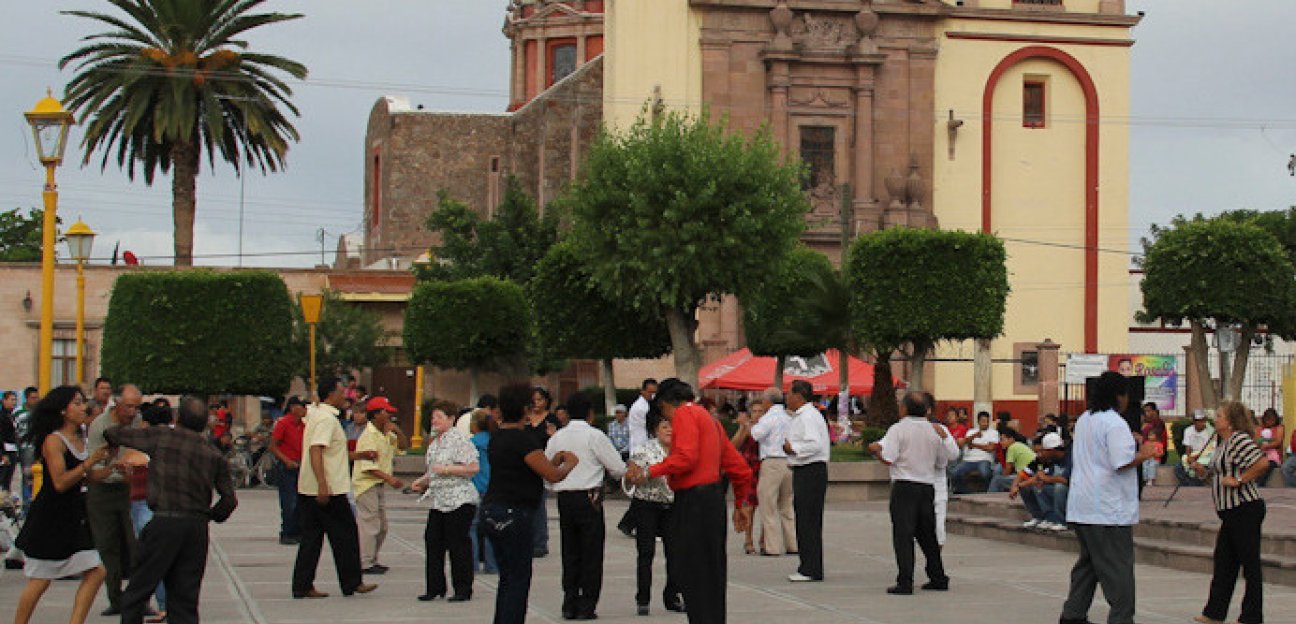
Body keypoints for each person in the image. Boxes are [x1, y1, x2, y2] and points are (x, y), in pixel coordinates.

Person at [625, 378, 752, 624]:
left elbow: (685, 458)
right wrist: (740, 503)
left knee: (693, 570)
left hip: (693, 499)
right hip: (712, 499)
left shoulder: (684, 414)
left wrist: (650, 471)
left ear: (664, 404)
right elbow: (739, 468)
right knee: (712, 572)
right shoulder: (710, 420)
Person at [105, 396, 238, 624]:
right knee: (185, 597)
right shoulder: (214, 455)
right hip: (196, 527)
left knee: (139, 589)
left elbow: (115, 434)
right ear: (205, 423)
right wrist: (212, 515)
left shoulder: (161, 436)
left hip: (165, 521)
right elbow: (229, 500)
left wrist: (119, 416)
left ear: (178, 418)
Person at [1059, 371, 1158, 624]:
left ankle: (1073, 614)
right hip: (1107, 508)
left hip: (1082, 505)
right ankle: (1121, 618)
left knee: (1089, 564)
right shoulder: (1115, 423)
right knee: (1119, 568)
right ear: (1119, 396)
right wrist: (1144, 453)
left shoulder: (1084, 419)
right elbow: (1121, 462)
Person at [481, 383, 579, 624]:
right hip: (515, 514)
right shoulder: (522, 440)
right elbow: (552, 475)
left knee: (507, 576)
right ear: (525, 408)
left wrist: (552, 460)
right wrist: (570, 464)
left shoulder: (497, 438)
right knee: (518, 579)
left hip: (492, 509)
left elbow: (531, 467)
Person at [12, 386, 111, 624]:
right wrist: (90, 463)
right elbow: (60, 482)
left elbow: (83, 478)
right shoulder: (53, 441)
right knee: (40, 579)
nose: (82, 408)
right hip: (50, 516)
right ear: (63, 410)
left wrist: (111, 470)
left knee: (96, 572)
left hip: (72, 515)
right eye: (76, 403)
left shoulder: (79, 438)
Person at [292, 376, 378, 599]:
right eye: (342, 392)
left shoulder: (318, 416)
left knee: (312, 538)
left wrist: (360, 455)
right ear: (330, 394)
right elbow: (316, 450)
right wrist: (323, 485)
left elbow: (333, 453)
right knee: (346, 534)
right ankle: (352, 582)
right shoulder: (326, 420)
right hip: (328, 489)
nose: (345, 397)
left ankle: (302, 585)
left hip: (310, 489)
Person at [545, 392, 626, 620]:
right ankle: (587, 604)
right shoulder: (594, 436)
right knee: (591, 552)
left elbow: (547, 469)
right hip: (589, 498)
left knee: (570, 552)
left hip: (565, 498)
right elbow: (617, 468)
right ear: (590, 414)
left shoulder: (557, 438)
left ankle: (569, 601)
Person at [1191, 401, 1268, 624]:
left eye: (1220, 416)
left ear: (1231, 421)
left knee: (1249, 563)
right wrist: (1202, 471)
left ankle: (1252, 615)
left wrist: (1240, 480)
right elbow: (1217, 476)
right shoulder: (1222, 443)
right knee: (1224, 561)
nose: (1216, 420)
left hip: (1244, 508)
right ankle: (1214, 612)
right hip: (1229, 511)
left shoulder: (1239, 440)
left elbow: (1261, 464)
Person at [869, 392, 953, 595]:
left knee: (903, 535)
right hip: (926, 485)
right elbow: (942, 461)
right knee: (927, 535)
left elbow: (889, 458)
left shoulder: (898, 429)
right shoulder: (935, 430)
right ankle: (938, 576)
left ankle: (905, 580)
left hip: (905, 486)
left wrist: (875, 451)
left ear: (904, 409)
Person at [85, 383, 143, 617]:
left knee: (135, 545)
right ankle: (116, 599)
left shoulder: (136, 421)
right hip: (103, 489)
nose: (132, 412)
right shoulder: (100, 426)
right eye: (128, 406)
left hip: (128, 489)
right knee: (108, 547)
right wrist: (115, 468)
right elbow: (93, 470)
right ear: (117, 404)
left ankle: (139, 598)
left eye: (136, 407)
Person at [411, 408, 478, 602]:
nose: (435, 420)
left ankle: (463, 588)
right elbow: (433, 470)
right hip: (440, 500)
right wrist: (422, 481)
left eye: (440, 417)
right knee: (433, 541)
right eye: (433, 417)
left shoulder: (459, 440)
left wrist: (447, 469)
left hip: (459, 499)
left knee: (458, 544)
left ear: (451, 418)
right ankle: (434, 587)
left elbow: (473, 467)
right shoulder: (435, 444)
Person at [121, 405, 175, 623]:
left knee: (151, 557)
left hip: (142, 503)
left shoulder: (143, 443)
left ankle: (159, 604)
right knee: (159, 557)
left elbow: (129, 463)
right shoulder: (173, 442)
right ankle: (160, 603)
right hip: (163, 505)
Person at [628, 407, 683, 616]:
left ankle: (672, 596)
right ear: (655, 430)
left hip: (673, 506)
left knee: (675, 552)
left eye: (672, 426)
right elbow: (632, 475)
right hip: (647, 505)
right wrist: (634, 476)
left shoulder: (681, 450)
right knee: (646, 552)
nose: (669, 430)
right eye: (664, 427)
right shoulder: (644, 450)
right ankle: (643, 598)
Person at [353, 396, 409, 575]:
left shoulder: (385, 434)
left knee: (382, 526)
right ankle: (364, 562)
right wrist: (390, 479)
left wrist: (398, 432)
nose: (389, 416)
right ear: (376, 414)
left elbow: (402, 447)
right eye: (386, 412)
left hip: (378, 485)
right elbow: (368, 468)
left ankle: (372, 558)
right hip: (367, 484)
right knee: (370, 524)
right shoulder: (369, 436)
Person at [783, 380, 829, 582]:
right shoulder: (804, 415)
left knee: (808, 521)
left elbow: (815, 445)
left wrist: (794, 449)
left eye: (789, 394)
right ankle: (809, 564)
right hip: (805, 470)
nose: (787, 398)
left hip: (811, 471)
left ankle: (810, 568)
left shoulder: (807, 416)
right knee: (805, 519)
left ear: (798, 396)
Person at [749, 387, 796, 557]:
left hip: (772, 462)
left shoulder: (769, 417)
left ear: (768, 401)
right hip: (789, 462)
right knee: (786, 505)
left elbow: (755, 435)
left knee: (768, 505)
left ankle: (772, 546)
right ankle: (792, 543)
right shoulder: (789, 416)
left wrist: (751, 424)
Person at [616, 379, 657, 538]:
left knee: (644, 492)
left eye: (654, 392)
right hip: (641, 452)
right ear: (643, 391)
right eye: (650, 392)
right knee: (644, 491)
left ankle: (628, 522)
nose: (652, 395)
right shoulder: (641, 408)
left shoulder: (646, 406)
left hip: (644, 449)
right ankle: (629, 522)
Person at [1010, 432, 1071, 532]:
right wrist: (1016, 486)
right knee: (1036, 486)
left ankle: (1061, 521)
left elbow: (1066, 479)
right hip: (1053, 489)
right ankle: (1042, 517)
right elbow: (1025, 474)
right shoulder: (1046, 459)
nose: (1040, 454)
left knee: (1059, 487)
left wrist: (1045, 479)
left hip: (1069, 491)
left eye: (1043, 451)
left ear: (1052, 450)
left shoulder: (1068, 458)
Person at [526, 386, 561, 558]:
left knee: (539, 504)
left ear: (546, 401)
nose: (536, 403)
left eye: (539, 399)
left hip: (543, 464)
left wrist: (553, 435)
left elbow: (559, 442)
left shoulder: (551, 420)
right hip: (525, 464)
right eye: (533, 400)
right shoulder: (524, 419)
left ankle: (540, 542)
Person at [271, 397, 308, 545]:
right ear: (293, 408)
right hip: (288, 466)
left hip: (301, 466)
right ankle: (287, 532)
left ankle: (298, 531)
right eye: (302, 406)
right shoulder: (283, 423)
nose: (304, 409)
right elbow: (273, 446)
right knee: (289, 501)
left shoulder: (305, 425)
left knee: (301, 501)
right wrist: (286, 460)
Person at [729, 402, 762, 555]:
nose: (757, 414)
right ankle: (748, 540)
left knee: (766, 506)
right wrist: (742, 427)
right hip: (748, 469)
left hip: (763, 469)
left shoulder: (766, 427)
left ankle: (763, 539)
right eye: (754, 411)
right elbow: (733, 446)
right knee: (748, 506)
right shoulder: (746, 427)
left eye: (760, 411)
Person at [468, 409, 498, 575]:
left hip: (475, 487)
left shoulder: (471, 443)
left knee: (472, 528)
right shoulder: (495, 441)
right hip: (493, 488)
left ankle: (472, 564)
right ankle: (492, 564)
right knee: (491, 528)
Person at [950, 412, 999, 494]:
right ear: (978, 422)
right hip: (968, 460)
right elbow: (963, 443)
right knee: (955, 473)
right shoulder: (971, 431)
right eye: (983, 421)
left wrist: (974, 445)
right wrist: (974, 436)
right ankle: (964, 492)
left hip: (984, 459)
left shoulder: (993, 433)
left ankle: (986, 492)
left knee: (985, 474)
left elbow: (990, 448)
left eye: (987, 421)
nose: (985, 423)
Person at [14, 386, 40, 506]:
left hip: (37, 447)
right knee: (27, 476)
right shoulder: (18, 412)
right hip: (25, 448)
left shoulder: (39, 411)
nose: (35, 400)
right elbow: (14, 431)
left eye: (37, 398)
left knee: (38, 475)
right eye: (33, 398)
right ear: (27, 398)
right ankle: (26, 504)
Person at [1177, 410, 1216, 487]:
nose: (1200, 423)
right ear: (1194, 421)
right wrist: (1189, 457)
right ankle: (1194, 485)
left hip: (1206, 455)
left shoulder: (1210, 431)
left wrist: (1197, 459)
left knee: (1200, 466)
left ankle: (1196, 484)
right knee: (1178, 468)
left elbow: (1211, 448)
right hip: (1193, 454)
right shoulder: (1188, 430)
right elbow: (1188, 447)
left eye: (1202, 420)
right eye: (1198, 421)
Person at [1255, 408, 1284, 487]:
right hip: (1260, 455)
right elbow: (1256, 441)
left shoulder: (1279, 428)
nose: (1270, 422)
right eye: (1268, 420)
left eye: (1272, 420)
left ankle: (1259, 485)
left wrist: (1267, 445)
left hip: (1273, 457)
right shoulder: (1259, 428)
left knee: (1267, 465)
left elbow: (1278, 441)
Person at [0, 390, 17, 494]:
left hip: (12, 450)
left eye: (15, 400)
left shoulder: (11, 416)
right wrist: (3, 454)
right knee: (3, 477)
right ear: (4, 401)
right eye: (12, 400)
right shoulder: (2, 417)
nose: (14, 402)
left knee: (8, 479)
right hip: (5, 452)